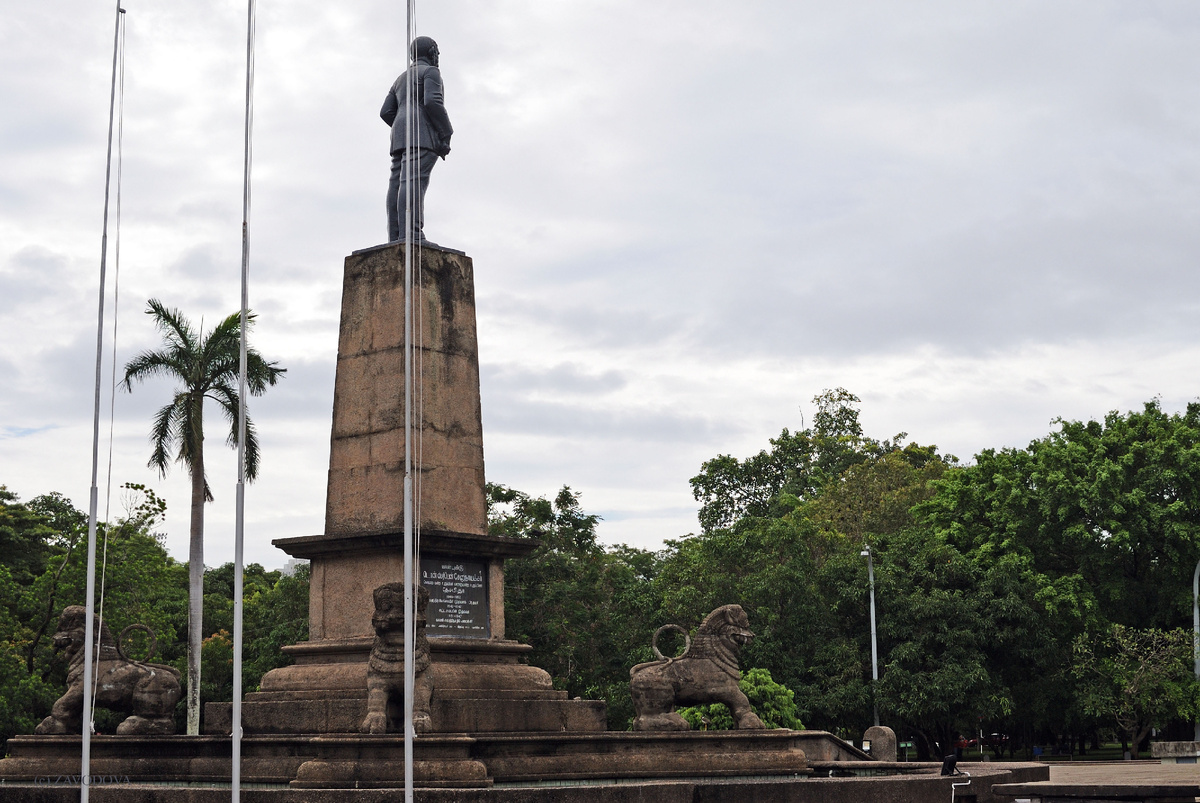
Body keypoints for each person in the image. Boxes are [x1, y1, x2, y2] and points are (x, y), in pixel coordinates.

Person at [381, 35, 453, 244]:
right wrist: (445, 132)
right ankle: (411, 234)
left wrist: (402, 124)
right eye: (437, 51)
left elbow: (386, 111)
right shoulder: (431, 72)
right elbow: (432, 102)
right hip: (422, 135)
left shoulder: (400, 78)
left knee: (397, 182)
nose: (438, 55)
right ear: (431, 52)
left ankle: (395, 236)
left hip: (399, 135)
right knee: (413, 182)